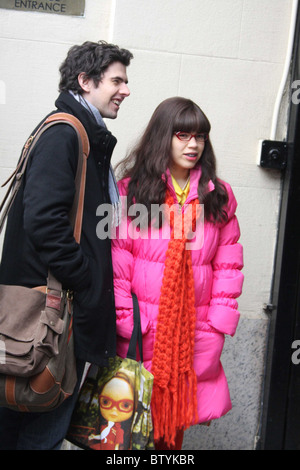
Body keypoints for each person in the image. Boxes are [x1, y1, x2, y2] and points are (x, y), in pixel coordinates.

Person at [0, 40, 133, 450]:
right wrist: (87, 278)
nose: (125, 90)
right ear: (85, 81)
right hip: (52, 320)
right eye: (117, 80)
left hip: (51, 315)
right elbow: (45, 221)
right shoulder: (66, 134)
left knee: (22, 427)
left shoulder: (80, 134)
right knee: (40, 433)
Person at [111, 97, 244, 450]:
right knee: (126, 436)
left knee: (172, 435)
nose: (193, 145)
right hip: (142, 332)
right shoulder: (131, 192)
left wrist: (217, 323)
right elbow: (117, 265)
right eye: (183, 135)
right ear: (163, 137)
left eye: (200, 136)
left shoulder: (218, 196)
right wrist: (126, 320)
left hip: (194, 332)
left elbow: (227, 266)